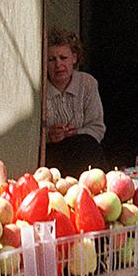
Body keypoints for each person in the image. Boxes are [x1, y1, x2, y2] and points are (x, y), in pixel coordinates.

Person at [44, 27, 106, 173]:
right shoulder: (39, 89)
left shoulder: (87, 83)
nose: (58, 65)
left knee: (86, 144)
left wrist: (75, 133)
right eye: (51, 59)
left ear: (74, 57)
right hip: (51, 157)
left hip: (81, 153)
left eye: (63, 58)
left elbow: (97, 128)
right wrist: (49, 136)